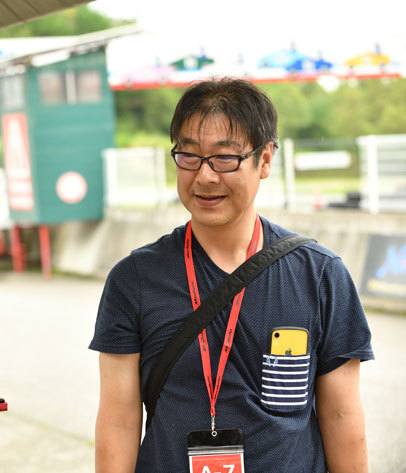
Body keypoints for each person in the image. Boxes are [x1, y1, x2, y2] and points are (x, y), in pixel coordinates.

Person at [90, 78, 373, 473]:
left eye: (225, 158)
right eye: (188, 155)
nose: (204, 177)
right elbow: (118, 420)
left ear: (266, 160)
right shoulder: (134, 279)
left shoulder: (320, 274)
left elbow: (342, 416)